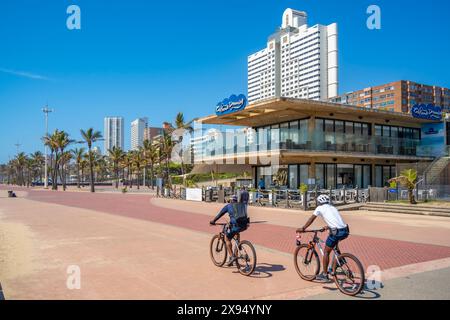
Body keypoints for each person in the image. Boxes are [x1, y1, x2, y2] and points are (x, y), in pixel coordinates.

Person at [296, 194, 349, 282]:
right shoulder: (332, 207)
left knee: (326, 252)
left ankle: (324, 275)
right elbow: (335, 220)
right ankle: (340, 260)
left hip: (336, 232)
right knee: (334, 245)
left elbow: (311, 219)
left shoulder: (319, 208)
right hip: (345, 230)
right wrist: (327, 227)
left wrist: (303, 228)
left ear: (319, 202)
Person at [210, 195, 249, 266]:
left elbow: (220, 214)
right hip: (244, 226)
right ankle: (238, 247)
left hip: (235, 226)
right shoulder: (241, 206)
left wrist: (213, 221)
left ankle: (232, 257)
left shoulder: (228, 206)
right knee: (236, 233)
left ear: (231, 200)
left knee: (227, 238)